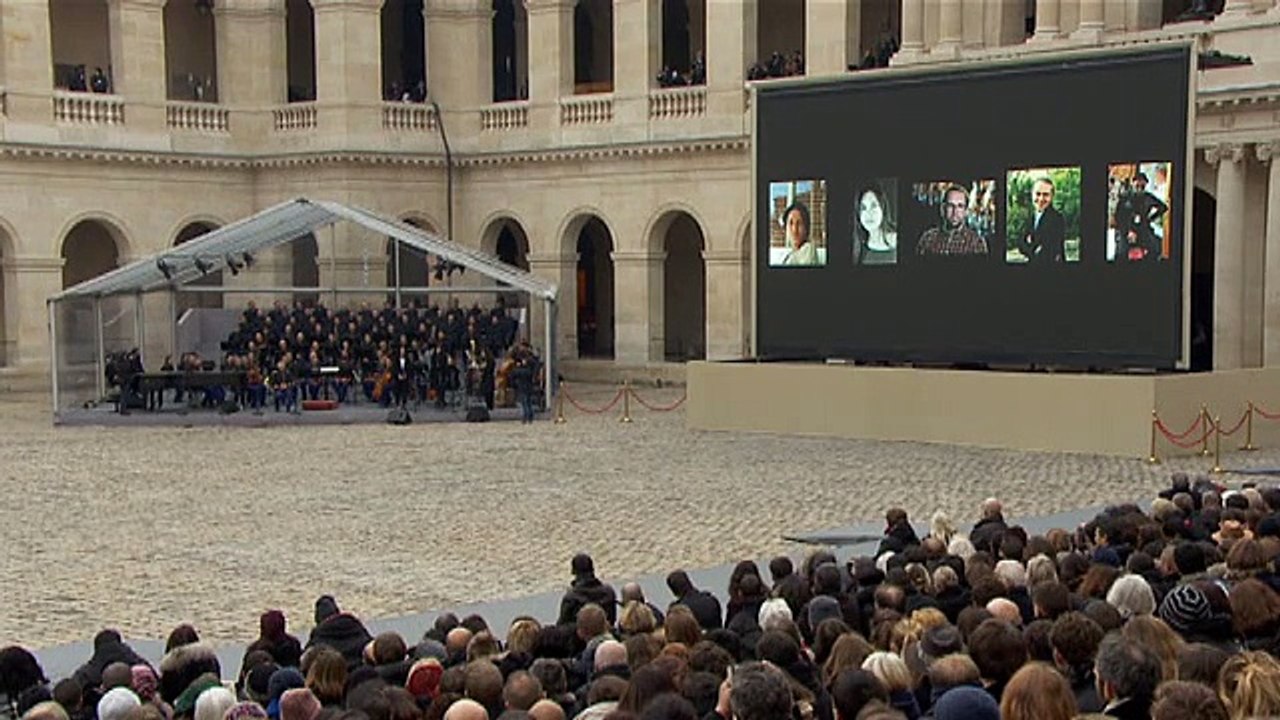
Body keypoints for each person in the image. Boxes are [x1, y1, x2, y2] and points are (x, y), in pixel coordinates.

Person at [917, 185, 988, 256]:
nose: (955, 212)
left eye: (960, 206)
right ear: (943, 208)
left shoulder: (976, 243)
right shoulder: (928, 239)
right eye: (950, 205)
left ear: (966, 211)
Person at [1015, 177, 1065, 264]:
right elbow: (1020, 244)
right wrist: (1034, 246)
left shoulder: (1057, 219)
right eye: (1038, 194)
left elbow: (1047, 251)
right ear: (1032, 195)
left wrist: (1030, 243)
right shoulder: (1029, 218)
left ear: (1052, 196)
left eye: (1045, 195)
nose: (1041, 199)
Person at [854, 184, 898, 265]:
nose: (869, 214)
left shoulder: (896, 239)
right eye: (863, 208)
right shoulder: (858, 245)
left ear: (883, 208)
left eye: (873, 206)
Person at [1129, 172, 1168, 262]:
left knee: (1156, 248)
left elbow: (1163, 207)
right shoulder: (1127, 196)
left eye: (1142, 186)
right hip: (1129, 228)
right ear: (1133, 183)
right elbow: (1120, 214)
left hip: (1144, 227)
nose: (1139, 188)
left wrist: (1150, 218)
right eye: (1137, 185)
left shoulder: (1148, 197)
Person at [780, 201, 821, 266]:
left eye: (799, 223)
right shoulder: (790, 254)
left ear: (806, 228)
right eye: (790, 223)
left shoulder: (809, 249)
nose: (794, 230)